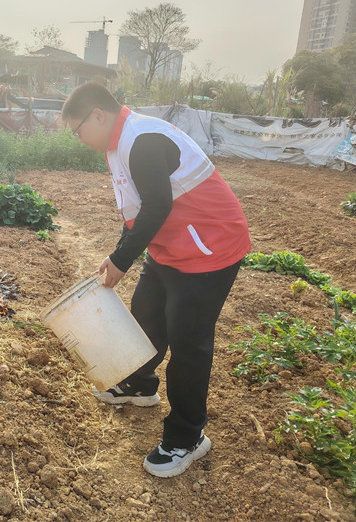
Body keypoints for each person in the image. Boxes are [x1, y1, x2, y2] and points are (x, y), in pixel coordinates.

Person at [61, 82, 251, 478]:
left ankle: (188, 437)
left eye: (77, 130)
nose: (78, 139)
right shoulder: (119, 141)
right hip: (171, 247)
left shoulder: (142, 139)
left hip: (207, 249)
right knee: (146, 314)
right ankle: (140, 384)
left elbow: (159, 203)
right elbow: (139, 206)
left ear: (97, 115)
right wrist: (120, 251)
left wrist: (121, 258)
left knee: (188, 341)